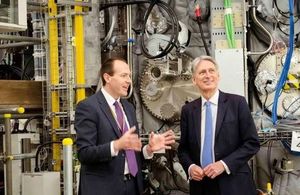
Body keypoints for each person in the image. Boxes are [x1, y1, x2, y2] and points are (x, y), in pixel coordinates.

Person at [75, 57, 175, 195]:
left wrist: (148, 150)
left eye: (129, 76)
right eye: (123, 76)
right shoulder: (88, 107)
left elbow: (130, 154)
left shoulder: (128, 108)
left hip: (132, 186)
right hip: (102, 188)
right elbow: (84, 153)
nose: (128, 80)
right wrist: (115, 145)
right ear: (107, 77)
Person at [178, 55, 260, 195]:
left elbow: (252, 143)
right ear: (194, 80)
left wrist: (223, 164)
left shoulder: (237, 103)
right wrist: (191, 167)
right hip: (201, 185)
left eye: (211, 71)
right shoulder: (188, 111)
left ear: (218, 76)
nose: (208, 75)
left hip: (234, 183)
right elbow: (183, 150)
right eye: (202, 72)